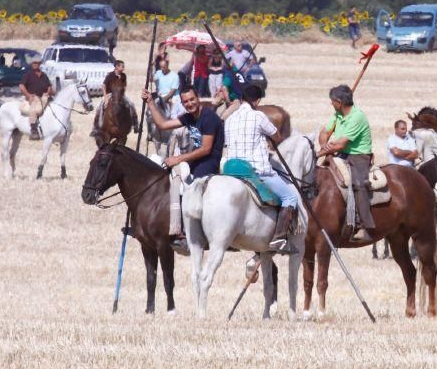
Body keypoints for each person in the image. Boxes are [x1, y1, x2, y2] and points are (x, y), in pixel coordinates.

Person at [142, 84, 224, 250]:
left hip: (208, 162)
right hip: (194, 161)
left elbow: (206, 149)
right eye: (185, 101)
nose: (189, 104)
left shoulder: (209, 118)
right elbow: (163, 125)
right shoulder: (188, 117)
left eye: (192, 99)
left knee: (190, 188)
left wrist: (178, 158)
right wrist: (150, 102)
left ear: (198, 98)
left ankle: (190, 233)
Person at [225, 84, 299, 254]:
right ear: (257, 101)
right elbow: (277, 136)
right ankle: (279, 238)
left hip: (230, 170)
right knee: (290, 197)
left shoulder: (230, 119)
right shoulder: (258, 116)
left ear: (242, 99)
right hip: (255, 170)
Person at [318, 84, 376, 242]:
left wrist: (321, 152)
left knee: (358, 184)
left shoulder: (358, 117)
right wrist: (324, 145)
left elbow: (340, 144)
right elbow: (324, 133)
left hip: (358, 156)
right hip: (340, 153)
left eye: (332, 101)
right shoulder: (337, 114)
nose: (331, 104)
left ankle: (364, 226)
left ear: (339, 102)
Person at [92, 60, 138, 138]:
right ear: (117, 67)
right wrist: (106, 97)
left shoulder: (123, 76)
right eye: (122, 66)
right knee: (100, 107)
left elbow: (124, 86)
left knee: (131, 104)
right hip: (110, 94)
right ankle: (96, 127)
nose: (123, 68)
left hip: (120, 95)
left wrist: (122, 94)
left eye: (123, 66)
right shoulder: (110, 75)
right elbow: (104, 86)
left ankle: (136, 124)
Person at [18, 56, 54, 140]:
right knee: (35, 110)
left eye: (36, 63)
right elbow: (21, 86)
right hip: (33, 97)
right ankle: (33, 130)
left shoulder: (44, 75)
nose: (34, 65)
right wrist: (28, 95)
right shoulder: (28, 75)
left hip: (44, 97)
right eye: (33, 63)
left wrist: (48, 92)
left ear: (39, 64)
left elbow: (49, 86)